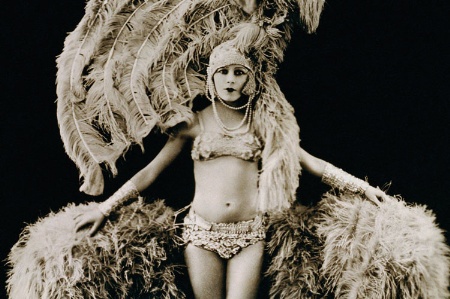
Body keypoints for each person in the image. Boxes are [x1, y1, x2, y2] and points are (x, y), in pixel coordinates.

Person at [73, 41, 388, 299]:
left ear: (249, 79)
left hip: (249, 234)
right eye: (223, 72)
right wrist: (106, 207)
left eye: (238, 73)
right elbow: (151, 172)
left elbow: (311, 163)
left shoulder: (263, 124)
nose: (230, 80)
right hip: (201, 234)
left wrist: (362, 187)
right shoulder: (192, 124)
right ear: (211, 78)